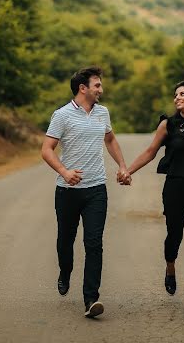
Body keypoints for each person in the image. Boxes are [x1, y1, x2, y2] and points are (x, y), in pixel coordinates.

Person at [124, 80, 184, 314]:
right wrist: (128, 170)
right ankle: (170, 267)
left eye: (182, 94)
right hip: (175, 187)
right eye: (175, 95)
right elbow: (150, 152)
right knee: (174, 235)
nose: (177, 98)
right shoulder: (168, 125)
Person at [41, 66, 130, 318]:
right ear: (83, 88)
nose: (101, 90)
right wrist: (64, 171)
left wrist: (122, 166)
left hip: (96, 189)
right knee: (65, 241)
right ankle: (65, 271)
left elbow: (110, 139)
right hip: (67, 191)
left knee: (94, 243)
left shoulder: (103, 113)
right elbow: (46, 149)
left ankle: (91, 299)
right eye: (97, 85)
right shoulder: (62, 115)